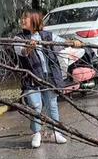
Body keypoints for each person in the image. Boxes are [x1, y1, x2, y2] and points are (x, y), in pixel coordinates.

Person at [14, 9, 75, 148]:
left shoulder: (47, 35)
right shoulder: (18, 38)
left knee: (52, 104)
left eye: (26, 18)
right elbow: (22, 52)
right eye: (22, 18)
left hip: (49, 76)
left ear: (35, 20)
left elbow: (62, 42)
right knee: (36, 105)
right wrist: (29, 48)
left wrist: (73, 42)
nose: (22, 20)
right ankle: (36, 133)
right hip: (31, 77)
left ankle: (56, 132)